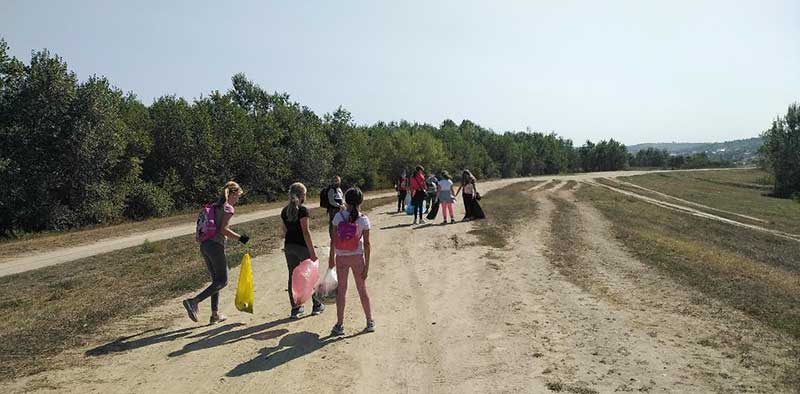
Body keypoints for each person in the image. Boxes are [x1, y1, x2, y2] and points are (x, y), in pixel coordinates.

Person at [183, 181, 249, 325]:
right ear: (232, 194)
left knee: (216, 281)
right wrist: (242, 238)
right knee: (222, 281)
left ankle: (214, 315)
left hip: (204, 245)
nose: (238, 199)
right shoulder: (228, 208)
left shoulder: (213, 206)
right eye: (237, 196)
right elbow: (223, 230)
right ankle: (193, 302)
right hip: (215, 246)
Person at [329, 187, 374, 336]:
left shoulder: (337, 217)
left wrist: (331, 259)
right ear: (361, 201)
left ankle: (340, 324)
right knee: (362, 290)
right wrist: (367, 266)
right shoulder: (363, 219)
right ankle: (369, 321)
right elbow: (367, 244)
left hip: (341, 257)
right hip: (357, 257)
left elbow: (333, 240)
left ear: (345, 200)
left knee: (341, 291)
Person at [281, 182, 325, 319]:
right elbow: (306, 232)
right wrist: (312, 252)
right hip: (302, 246)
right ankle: (316, 305)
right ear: (302, 195)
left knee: (293, 276)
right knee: (311, 274)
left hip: (289, 246)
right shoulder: (303, 210)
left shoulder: (284, 211)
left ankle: (296, 308)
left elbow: (284, 231)